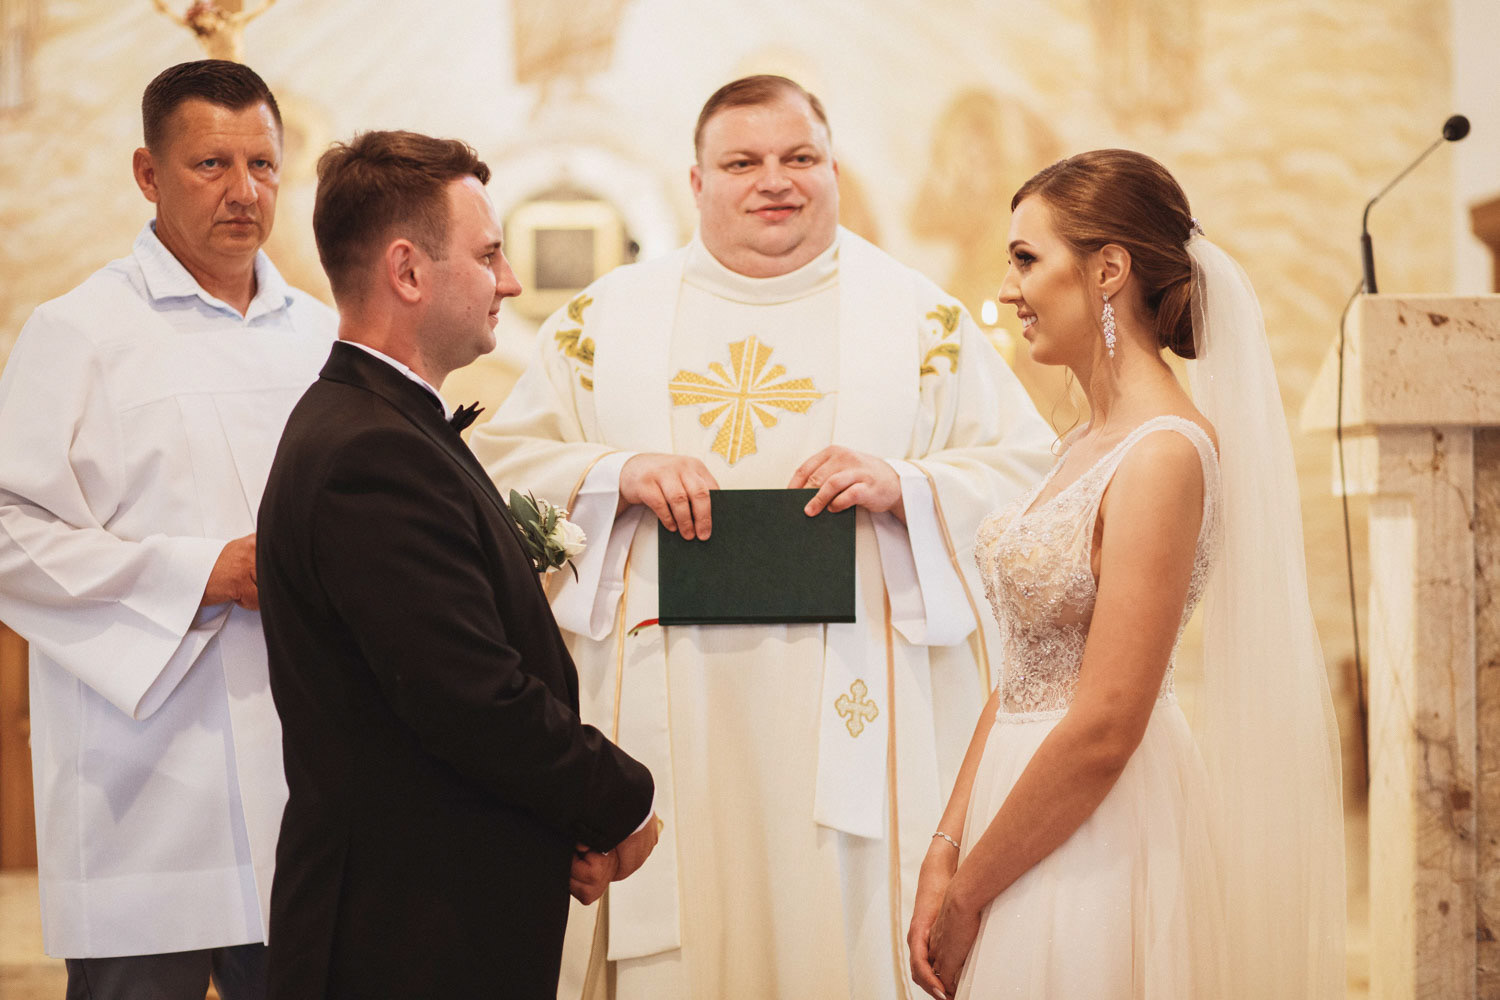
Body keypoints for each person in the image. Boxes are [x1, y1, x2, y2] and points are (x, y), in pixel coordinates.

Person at [469, 75, 1054, 1000]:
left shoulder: (919, 322)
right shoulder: (604, 321)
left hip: (854, 708)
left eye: (799, 158)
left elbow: (1033, 479)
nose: (774, 180)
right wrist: (615, 473)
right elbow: (496, 475)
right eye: (742, 162)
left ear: (834, 170)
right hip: (669, 708)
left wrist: (908, 485)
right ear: (696, 183)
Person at [907, 149, 1345, 1000]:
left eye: (1025, 259)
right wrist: (944, 848)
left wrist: (968, 895)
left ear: (1108, 269)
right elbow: (1025, 668)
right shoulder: (1081, 444)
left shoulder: (1163, 455)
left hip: (1094, 832)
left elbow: (1108, 724)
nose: (1006, 289)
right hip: (1013, 805)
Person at [255, 129, 659, 1000]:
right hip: (402, 940)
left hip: (434, 910)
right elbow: (470, 699)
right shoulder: (370, 453)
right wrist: (621, 800)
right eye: (487, 254)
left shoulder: (384, 424)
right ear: (407, 272)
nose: (509, 281)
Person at [0, 60, 335, 1000]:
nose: (244, 192)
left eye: (262, 165)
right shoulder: (79, 331)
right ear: (148, 174)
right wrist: (200, 573)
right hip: (142, 779)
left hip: (302, 769)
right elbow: (8, 527)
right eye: (211, 164)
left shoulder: (321, 337)